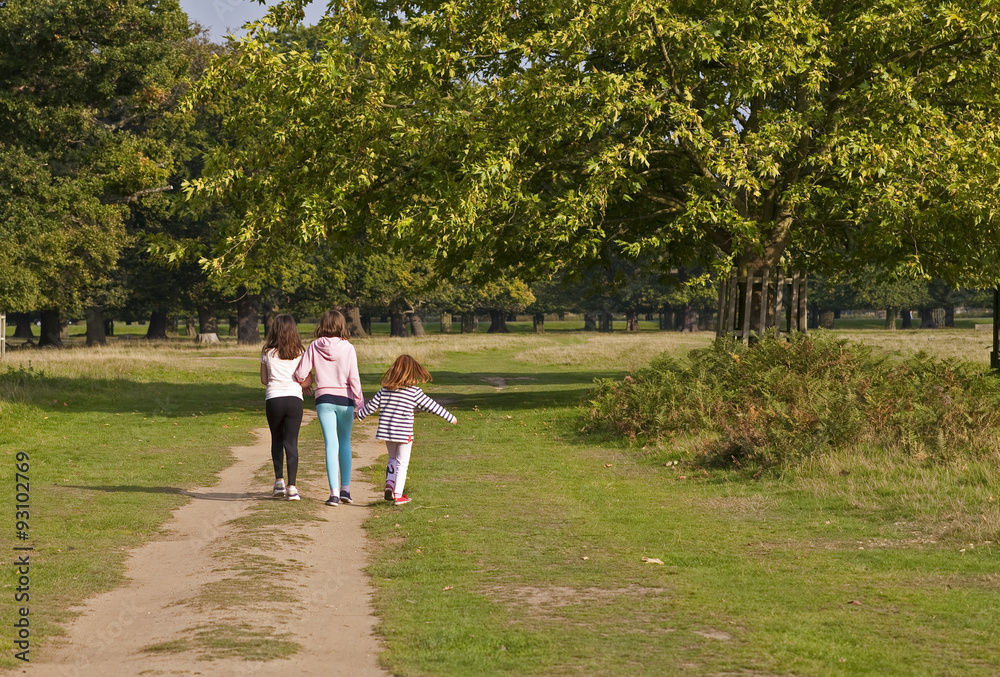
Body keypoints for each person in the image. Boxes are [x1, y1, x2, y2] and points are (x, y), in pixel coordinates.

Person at [357, 354, 457, 506]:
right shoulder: (413, 392)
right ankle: (398, 495)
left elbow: (370, 407)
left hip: (387, 433)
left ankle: (389, 484)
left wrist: (358, 415)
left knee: (392, 458)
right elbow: (431, 406)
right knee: (402, 463)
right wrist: (450, 417)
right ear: (412, 372)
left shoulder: (384, 390)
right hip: (404, 434)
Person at [292, 310, 364, 506]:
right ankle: (346, 490)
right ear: (342, 325)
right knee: (345, 443)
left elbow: (300, 372)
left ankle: (333, 493)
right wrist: (360, 403)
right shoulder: (348, 347)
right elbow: (354, 378)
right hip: (345, 399)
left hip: (323, 398)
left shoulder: (315, 346)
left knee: (330, 444)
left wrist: (306, 384)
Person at [260, 314, 310, 501]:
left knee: (276, 439)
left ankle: (278, 481)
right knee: (292, 442)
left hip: (273, 399)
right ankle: (292, 487)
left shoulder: (267, 352)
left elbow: (264, 380)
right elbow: (306, 381)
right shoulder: (299, 351)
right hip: (294, 399)